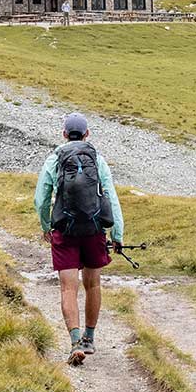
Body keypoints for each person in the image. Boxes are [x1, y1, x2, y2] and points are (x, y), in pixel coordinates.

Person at [34, 112, 124, 366]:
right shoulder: (97, 159)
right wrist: (117, 233)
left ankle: (74, 342)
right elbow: (111, 197)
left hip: (65, 229)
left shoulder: (55, 158)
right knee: (93, 284)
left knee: (68, 287)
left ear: (64, 134)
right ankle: (89, 338)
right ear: (87, 134)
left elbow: (41, 197)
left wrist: (46, 226)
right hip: (94, 230)